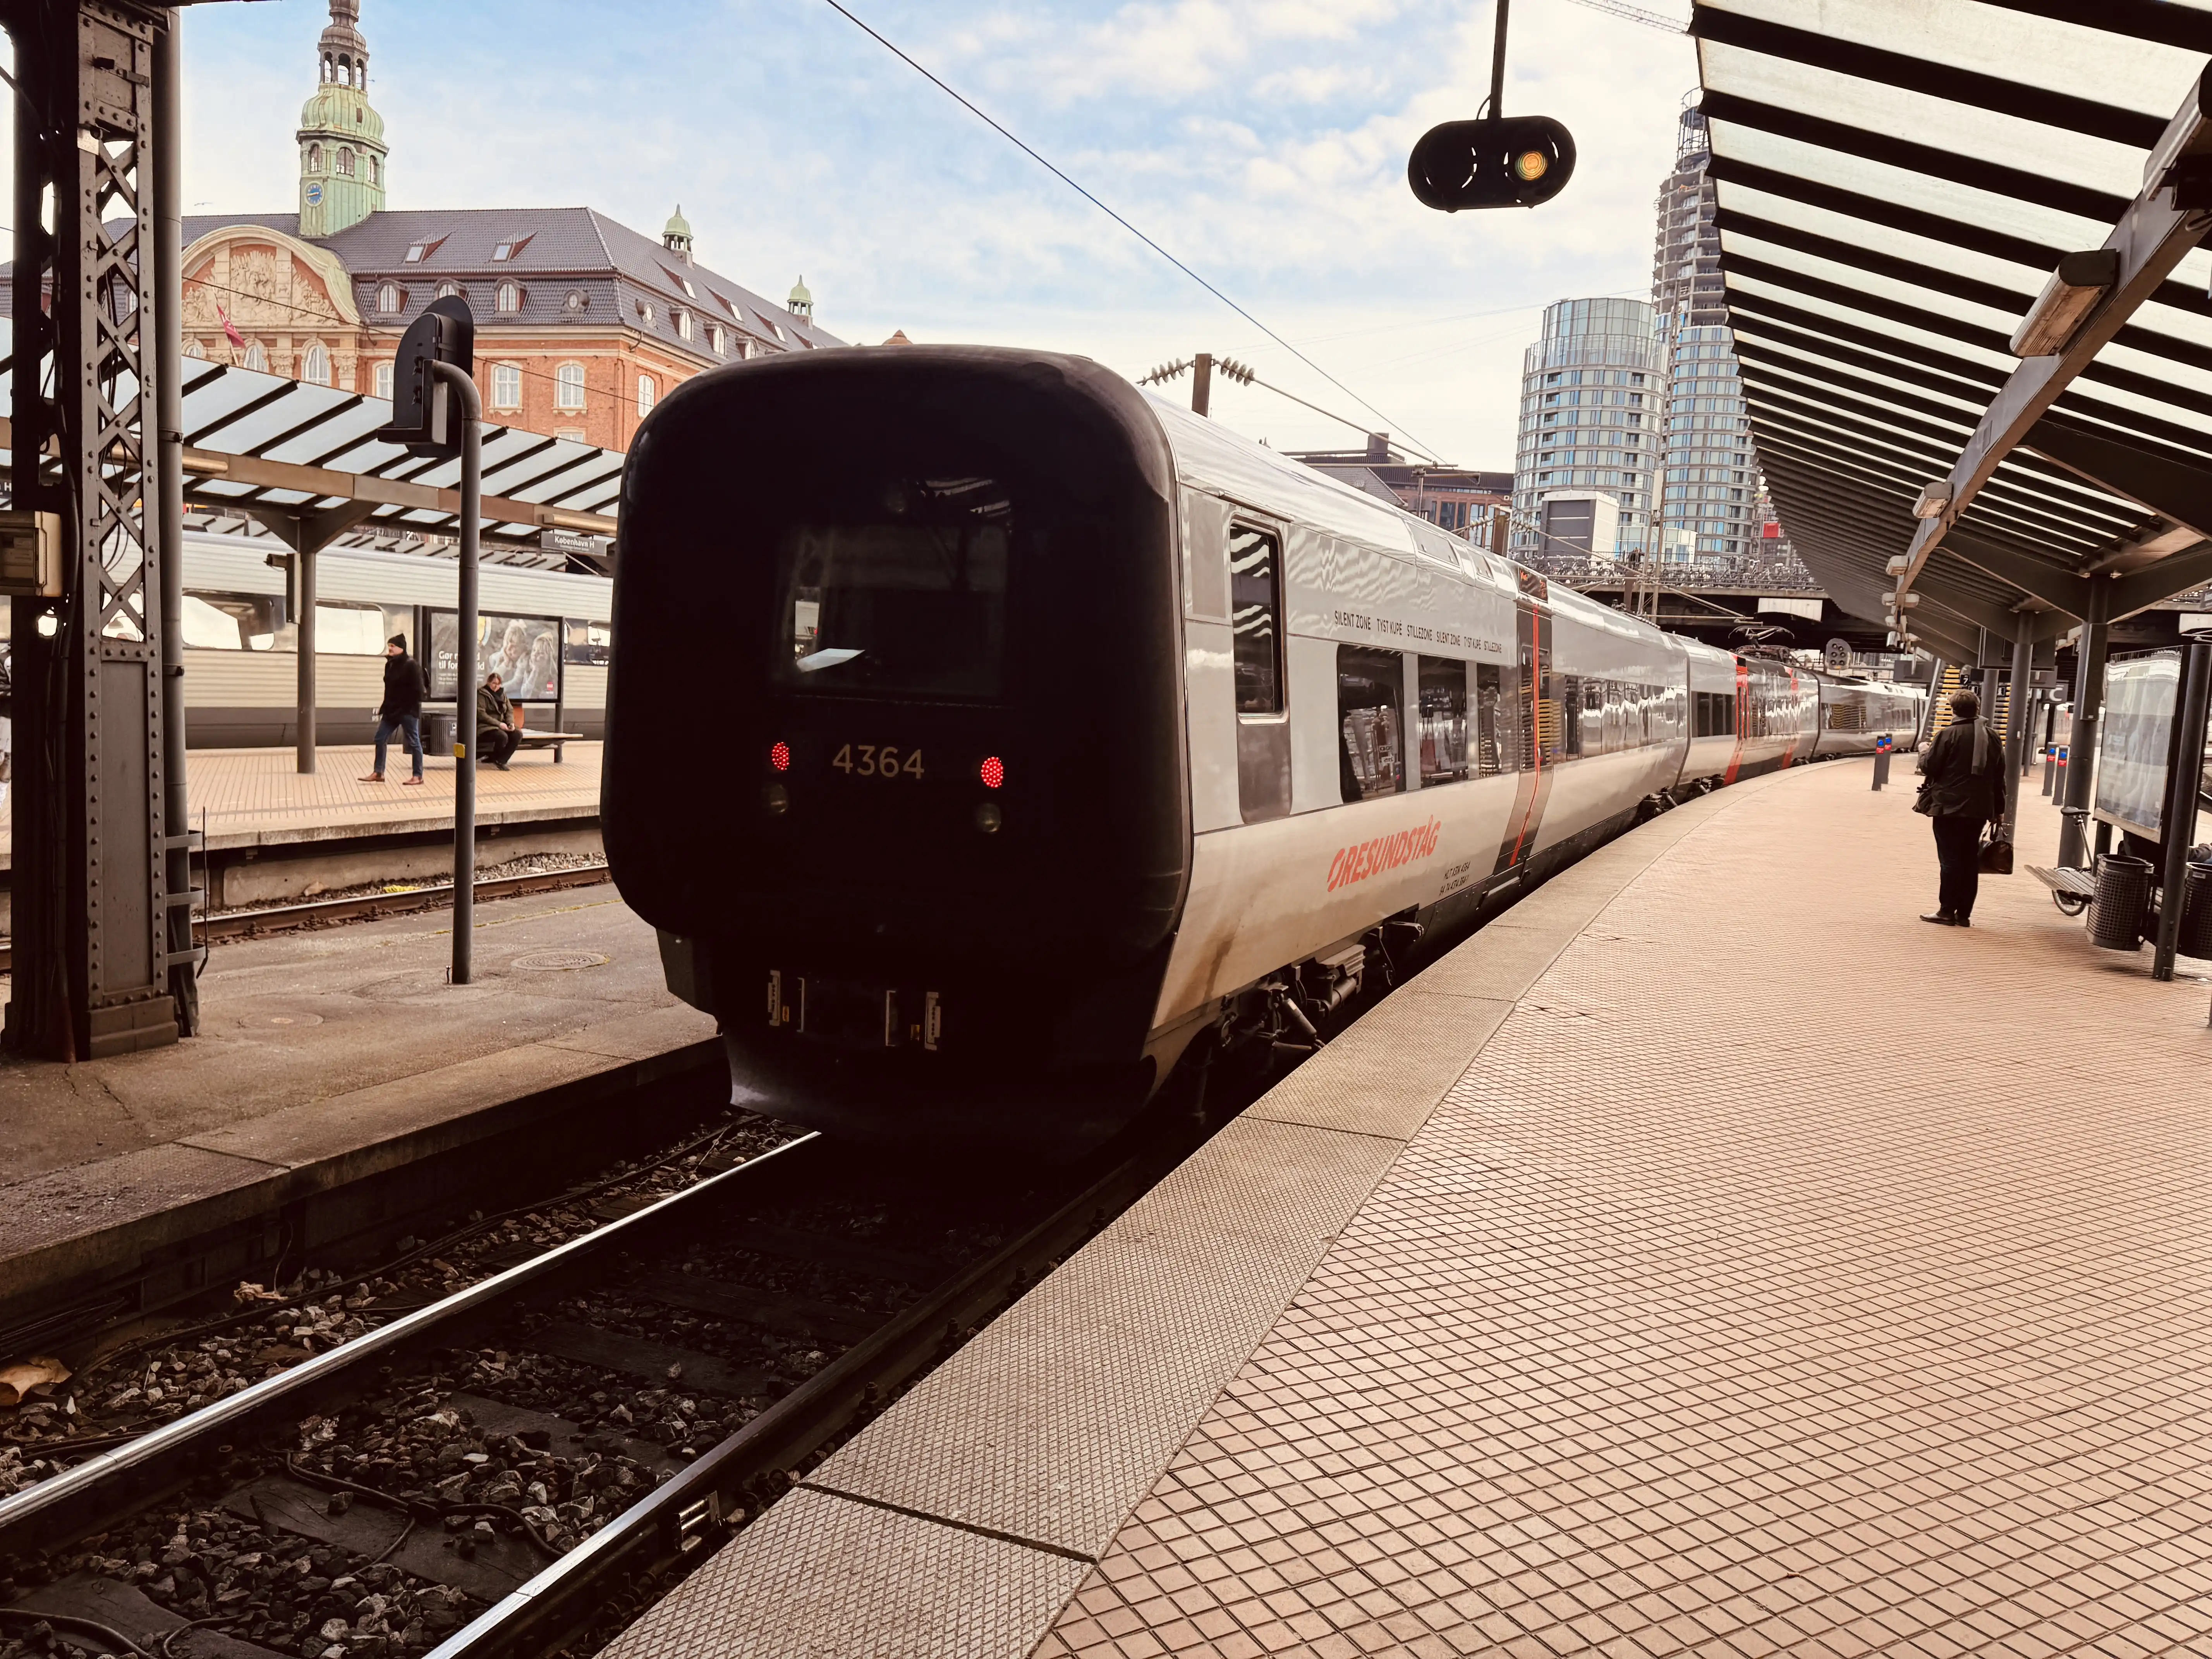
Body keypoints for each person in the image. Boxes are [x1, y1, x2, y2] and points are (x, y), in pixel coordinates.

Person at [1914, 687, 2005, 927]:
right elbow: (1999, 777)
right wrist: (2000, 810)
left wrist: (1924, 751)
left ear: (1954, 710)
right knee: (1969, 860)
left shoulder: (1948, 734)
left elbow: (1930, 767)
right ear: (1977, 708)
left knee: (1950, 860)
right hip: (1979, 809)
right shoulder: (1993, 736)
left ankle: (1946, 911)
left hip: (1948, 808)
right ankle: (1964, 914)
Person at [362, 634, 426, 785]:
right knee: (380, 738)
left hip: (407, 711)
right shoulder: (389, 665)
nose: (390, 648)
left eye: (393, 646)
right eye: (389, 645)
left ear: (401, 649)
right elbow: (389, 689)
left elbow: (419, 691)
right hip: (392, 711)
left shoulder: (411, 665)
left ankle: (418, 776)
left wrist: (407, 708)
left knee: (414, 742)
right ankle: (379, 773)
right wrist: (385, 707)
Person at [477, 671, 521, 771]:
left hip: (502, 725)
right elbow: (481, 714)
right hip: (486, 726)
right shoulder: (482, 694)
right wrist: (499, 724)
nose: (496, 687)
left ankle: (501, 760)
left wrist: (510, 723)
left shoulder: (502, 694)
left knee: (517, 734)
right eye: (494, 684)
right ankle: (495, 758)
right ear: (489, 683)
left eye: (498, 684)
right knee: (502, 736)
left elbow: (509, 710)